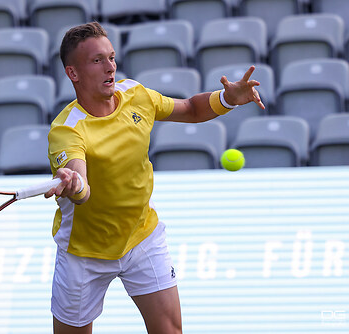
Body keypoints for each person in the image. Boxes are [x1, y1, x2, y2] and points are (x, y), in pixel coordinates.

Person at [44, 22, 265, 334]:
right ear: (73, 73)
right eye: (97, 60)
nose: (110, 67)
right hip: (84, 253)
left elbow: (188, 108)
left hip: (141, 237)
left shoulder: (135, 95)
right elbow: (81, 185)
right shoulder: (66, 130)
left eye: (111, 57)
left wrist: (227, 99)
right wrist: (74, 184)